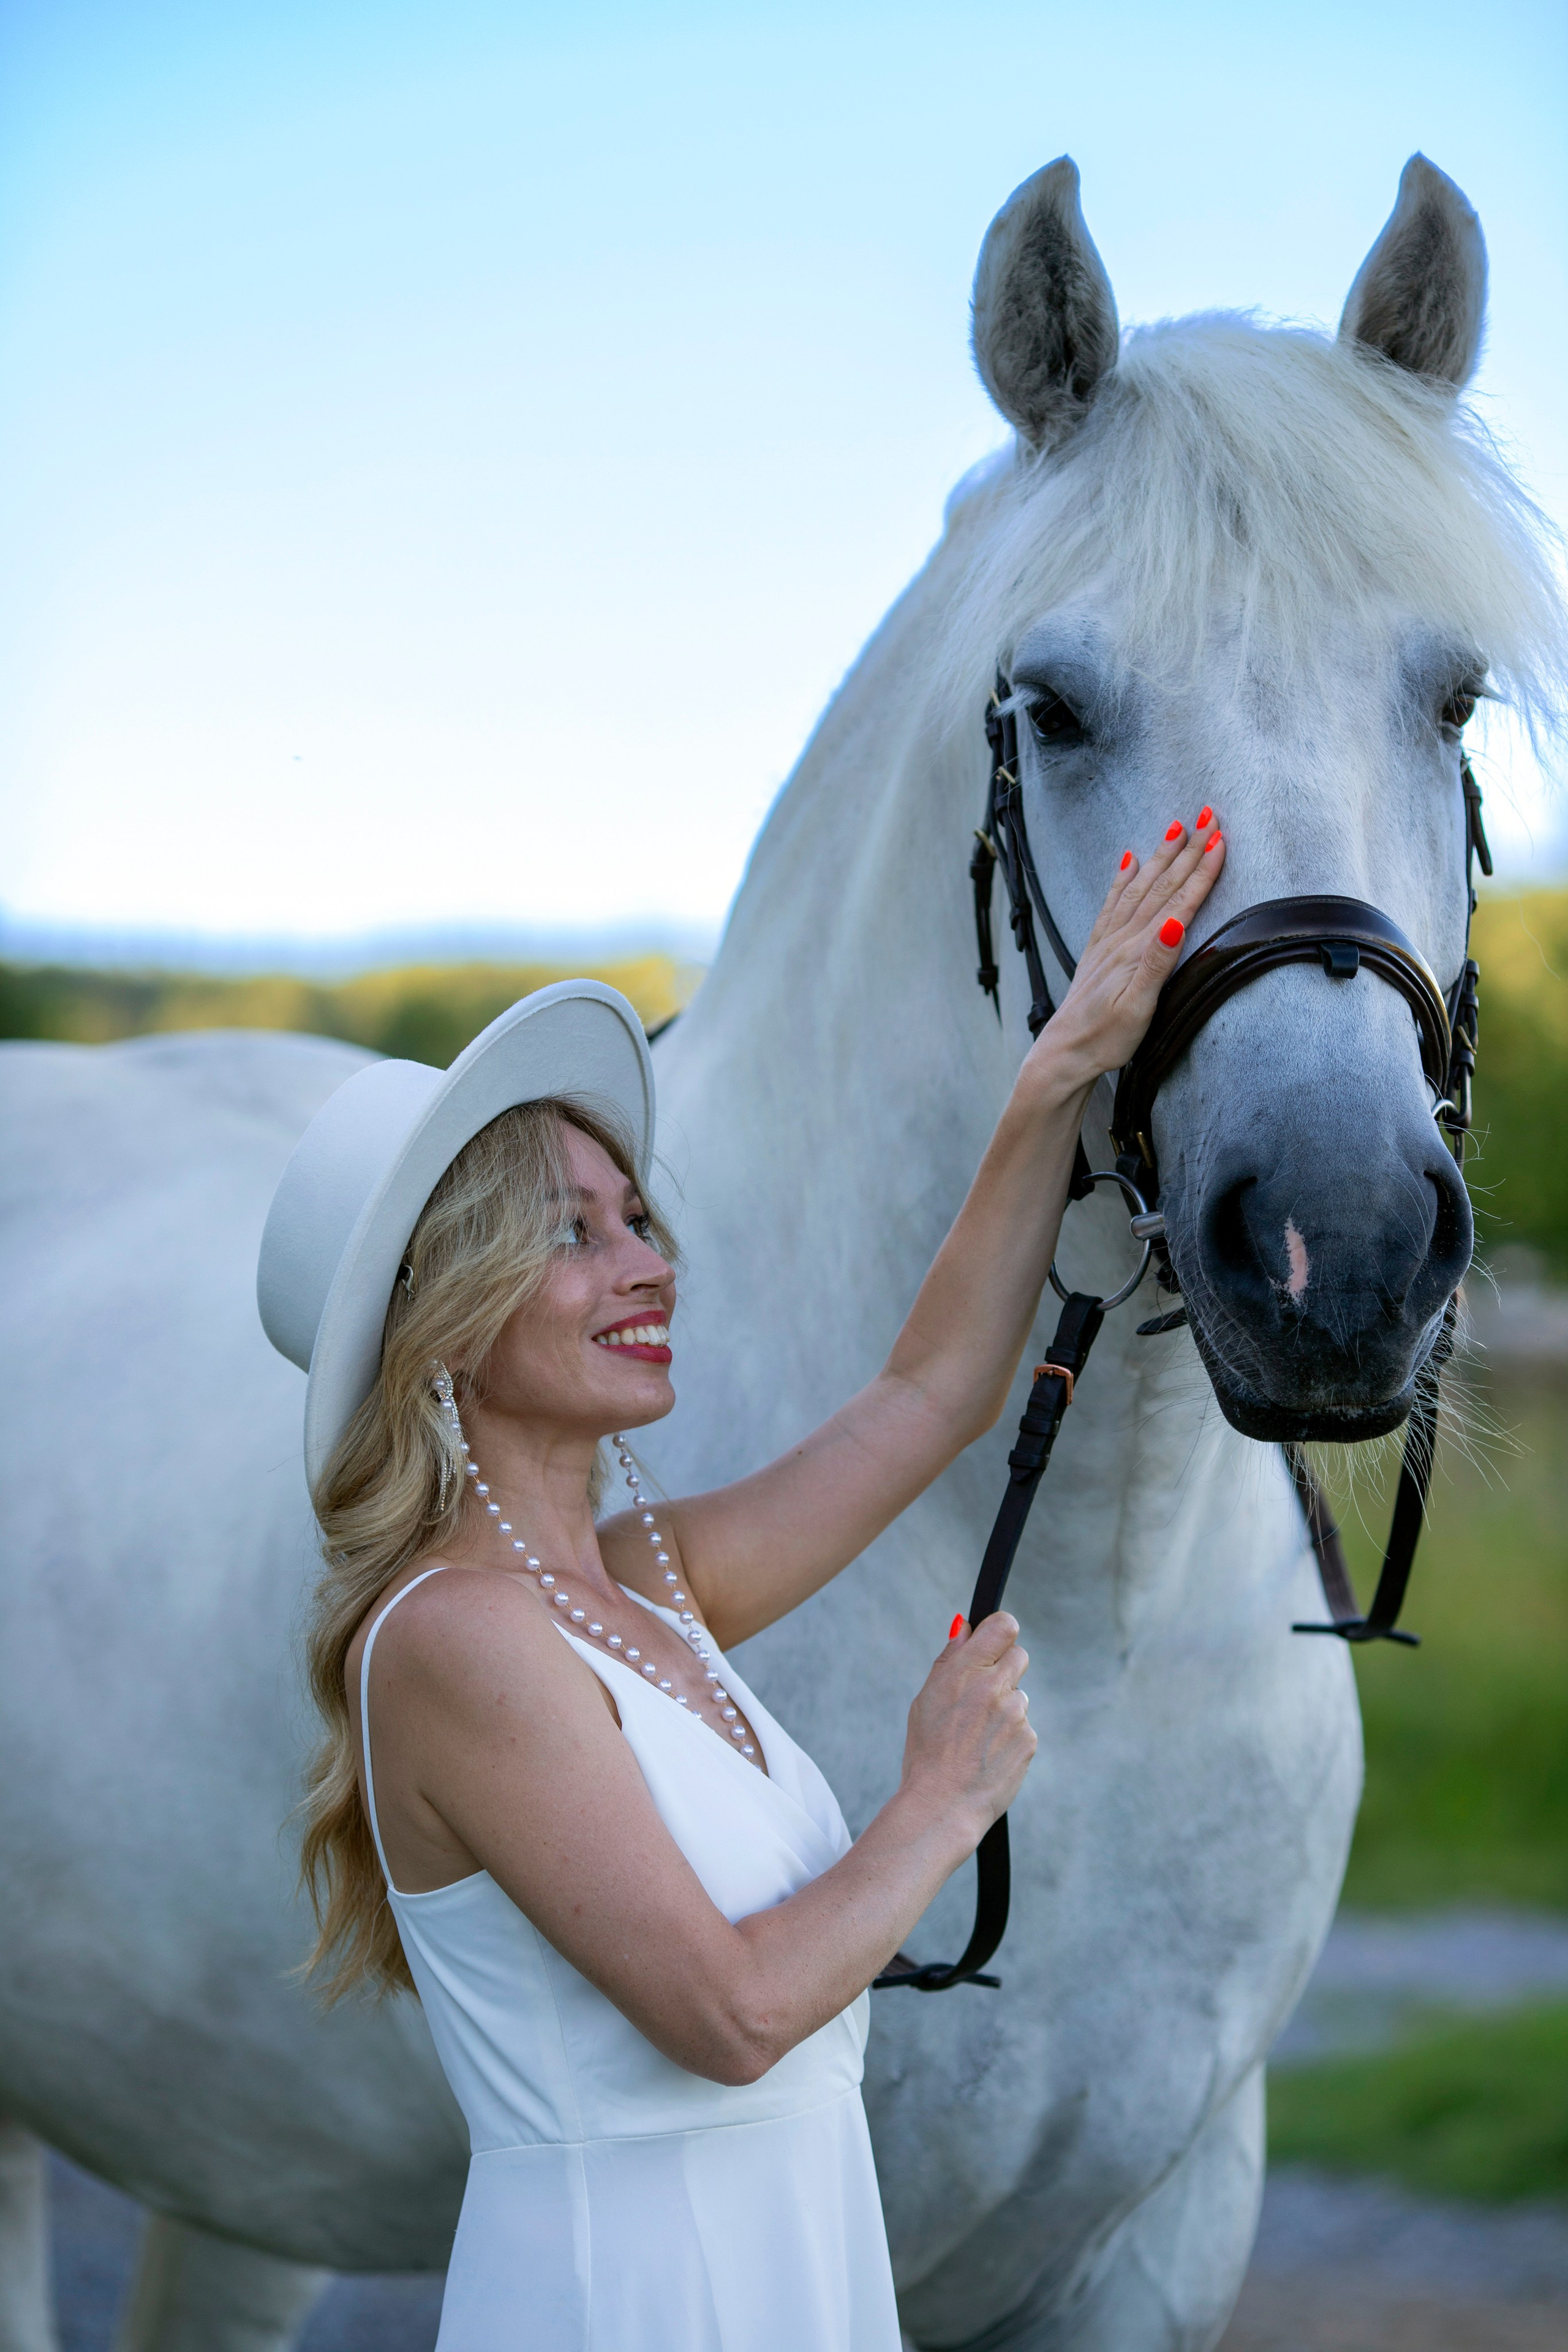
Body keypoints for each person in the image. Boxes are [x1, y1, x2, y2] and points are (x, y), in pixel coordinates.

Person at [257, 815, 1224, 2351]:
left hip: (788, 2259)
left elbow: (926, 1396)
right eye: (569, 1234)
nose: (644, 1261)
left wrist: (1054, 1072)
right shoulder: (449, 1638)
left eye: (635, 1215)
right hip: (632, 2298)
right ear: (443, 1318)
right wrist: (939, 1800)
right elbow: (731, 2014)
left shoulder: (640, 1579)